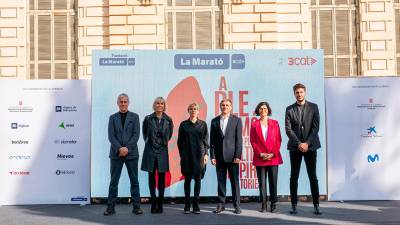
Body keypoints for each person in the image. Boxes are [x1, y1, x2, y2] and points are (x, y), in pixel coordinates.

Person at [285, 83, 322, 215]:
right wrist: (299, 144)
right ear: (294, 94)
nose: (299, 94)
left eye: (301, 92)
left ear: (305, 92)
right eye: (297, 92)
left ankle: (316, 205)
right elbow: (288, 129)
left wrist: (307, 143)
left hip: (311, 147)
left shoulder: (314, 107)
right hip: (295, 148)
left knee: (313, 176)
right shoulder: (289, 109)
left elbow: (315, 128)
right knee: (293, 177)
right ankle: (294, 205)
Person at [104, 93, 143, 216]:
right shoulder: (112, 117)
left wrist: (126, 148)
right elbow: (111, 136)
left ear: (128, 103)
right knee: (114, 182)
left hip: (131, 154)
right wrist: (120, 148)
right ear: (117, 103)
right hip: (116, 154)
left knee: (134, 181)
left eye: (125, 101)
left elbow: (136, 135)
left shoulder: (135, 117)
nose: (123, 104)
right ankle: (110, 208)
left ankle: (136, 207)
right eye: (121, 101)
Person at [141, 97, 173, 214]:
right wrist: (152, 143)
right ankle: (153, 202)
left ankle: (160, 203)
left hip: (162, 151)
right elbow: (145, 134)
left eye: (161, 103)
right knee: (151, 177)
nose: (159, 105)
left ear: (164, 105)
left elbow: (169, 136)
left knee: (161, 178)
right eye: (157, 103)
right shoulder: (148, 118)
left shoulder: (168, 120)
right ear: (154, 105)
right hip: (150, 151)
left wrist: (160, 143)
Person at [210, 99, 243, 214]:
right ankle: (221, 204)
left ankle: (237, 205)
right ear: (220, 106)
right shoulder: (214, 121)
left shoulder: (237, 120)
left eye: (227, 105)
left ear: (231, 107)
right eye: (223, 105)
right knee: (221, 182)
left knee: (235, 182)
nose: (225, 107)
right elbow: (212, 141)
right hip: (219, 157)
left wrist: (238, 156)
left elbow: (239, 140)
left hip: (233, 157)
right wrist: (212, 156)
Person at [250, 101, 283, 213]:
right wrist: (260, 154)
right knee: (262, 183)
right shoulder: (254, 124)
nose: (263, 110)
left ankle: (273, 204)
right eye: (261, 109)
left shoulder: (275, 123)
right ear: (258, 111)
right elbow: (253, 141)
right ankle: (263, 204)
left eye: (265, 108)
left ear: (268, 110)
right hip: (260, 158)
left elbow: (278, 139)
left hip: (273, 157)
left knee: (273, 182)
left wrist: (273, 153)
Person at [177, 103, 209, 214]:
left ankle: (196, 204)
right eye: (191, 109)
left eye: (195, 109)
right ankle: (187, 204)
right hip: (187, 156)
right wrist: (183, 154)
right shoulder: (183, 124)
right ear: (188, 111)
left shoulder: (203, 124)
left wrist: (206, 154)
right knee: (187, 180)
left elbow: (206, 141)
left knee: (198, 180)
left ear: (198, 111)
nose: (193, 110)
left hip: (199, 156)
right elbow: (179, 142)